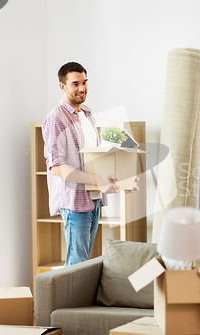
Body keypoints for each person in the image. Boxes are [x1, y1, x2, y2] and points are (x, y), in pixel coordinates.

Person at [42, 62, 133, 266]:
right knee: (77, 264)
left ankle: (76, 298)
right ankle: (68, 299)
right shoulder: (55, 119)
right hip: (74, 202)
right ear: (62, 86)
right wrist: (96, 180)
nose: (82, 89)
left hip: (93, 199)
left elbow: (96, 160)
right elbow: (56, 167)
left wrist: (123, 180)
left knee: (83, 264)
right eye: (75, 84)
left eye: (84, 82)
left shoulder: (88, 116)